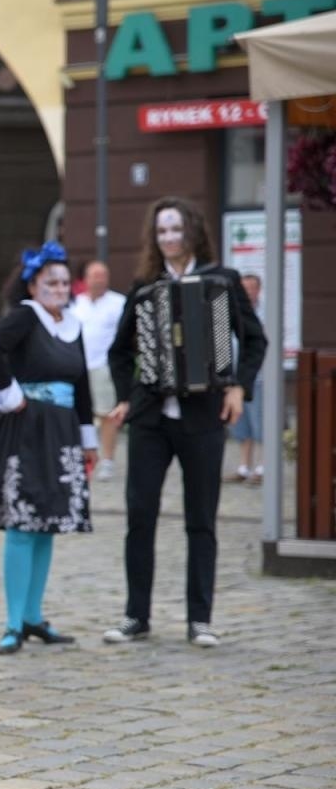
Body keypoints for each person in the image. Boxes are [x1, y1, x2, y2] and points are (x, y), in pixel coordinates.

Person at [104, 197, 266, 648]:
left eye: (176, 229)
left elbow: (255, 340)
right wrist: (125, 396)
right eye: (162, 231)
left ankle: (200, 619)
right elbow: (119, 352)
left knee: (201, 520)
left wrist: (238, 388)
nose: (169, 238)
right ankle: (136, 615)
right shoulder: (144, 286)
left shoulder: (222, 280)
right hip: (151, 420)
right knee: (140, 516)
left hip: (204, 417)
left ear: (192, 231)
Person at [0, 242, 96, 655]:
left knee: (48, 523)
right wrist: (10, 392)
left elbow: (82, 385)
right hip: (27, 429)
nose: (59, 289)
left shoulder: (73, 325)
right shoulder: (26, 317)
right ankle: (13, 623)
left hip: (61, 430)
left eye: (64, 283)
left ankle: (33, 615)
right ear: (32, 285)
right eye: (51, 283)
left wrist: (88, 438)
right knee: (23, 522)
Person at [70, 260, 126, 482]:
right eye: (95, 276)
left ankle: (108, 460)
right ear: (85, 279)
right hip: (78, 366)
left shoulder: (118, 303)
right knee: (78, 414)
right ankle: (81, 457)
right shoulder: (75, 303)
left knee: (106, 414)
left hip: (104, 366)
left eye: (103, 275)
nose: (100, 280)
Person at [230, 273, 266, 484]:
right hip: (234, 380)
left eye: (251, 288)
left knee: (260, 424)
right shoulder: (231, 312)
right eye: (243, 288)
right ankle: (244, 466)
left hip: (258, 379)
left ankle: (262, 467)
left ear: (258, 290)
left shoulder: (265, 314)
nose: (247, 292)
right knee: (240, 425)